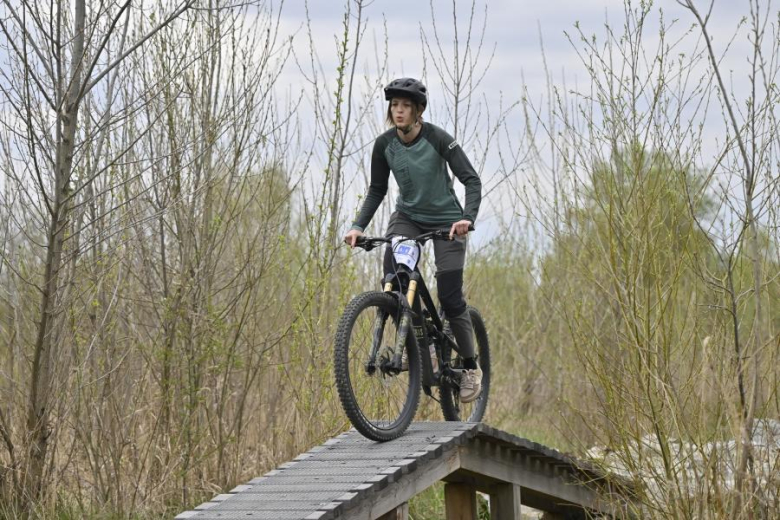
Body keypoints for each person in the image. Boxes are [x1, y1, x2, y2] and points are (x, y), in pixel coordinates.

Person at [343, 77, 483, 403]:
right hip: (407, 218)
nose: (399, 111)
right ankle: (419, 345)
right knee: (395, 280)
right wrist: (358, 226)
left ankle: (470, 366)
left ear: (418, 110)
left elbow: (471, 180)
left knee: (450, 297)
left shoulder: (438, 139)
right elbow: (377, 190)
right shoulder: (384, 145)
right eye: (395, 105)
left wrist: (467, 218)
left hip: (448, 222)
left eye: (406, 106)